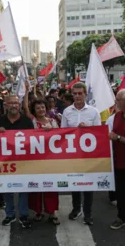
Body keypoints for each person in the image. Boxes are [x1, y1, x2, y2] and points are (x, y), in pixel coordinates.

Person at [61, 82, 101, 225]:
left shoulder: (94, 112)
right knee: (74, 183)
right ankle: (76, 209)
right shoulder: (67, 112)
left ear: (85, 94)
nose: (77, 96)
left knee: (89, 185)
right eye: (75, 93)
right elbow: (62, 133)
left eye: (80, 93)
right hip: (73, 155)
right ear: (72, 95)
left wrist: (88, 129)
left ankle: (88, 213)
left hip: (88, 156)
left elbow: (99, 133)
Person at [0, 94, 34, 228]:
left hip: (23, 161)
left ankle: (23, 215)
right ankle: (10, 214)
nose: (14, 105)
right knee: (8, 188)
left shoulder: (27, 121)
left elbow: (34, 140)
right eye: (11, 103)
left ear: (19, 106)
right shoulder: (1, 120)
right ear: (5, 105)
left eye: (16, 103)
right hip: (6, 162)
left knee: (24, 188)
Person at [27, 100, 60, 225]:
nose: (41, 110)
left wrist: (52, 131)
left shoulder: (53, 122)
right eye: (38, 108)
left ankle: (52, 212)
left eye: (42, 107)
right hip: (34, 161)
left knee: (51, 186)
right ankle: (38, 212)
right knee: (36, 186)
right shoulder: (31, 123)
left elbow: (60, 138)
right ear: (34, 110)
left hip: (50, 160)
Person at [108, 90, 125, 230]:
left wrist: (118, 138)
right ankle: (121, 217)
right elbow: (106, 132)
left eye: (118, 100)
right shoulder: (116, 116)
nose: (115, 102)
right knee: (120, 192)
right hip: (119, 162)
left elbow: (115, 136)